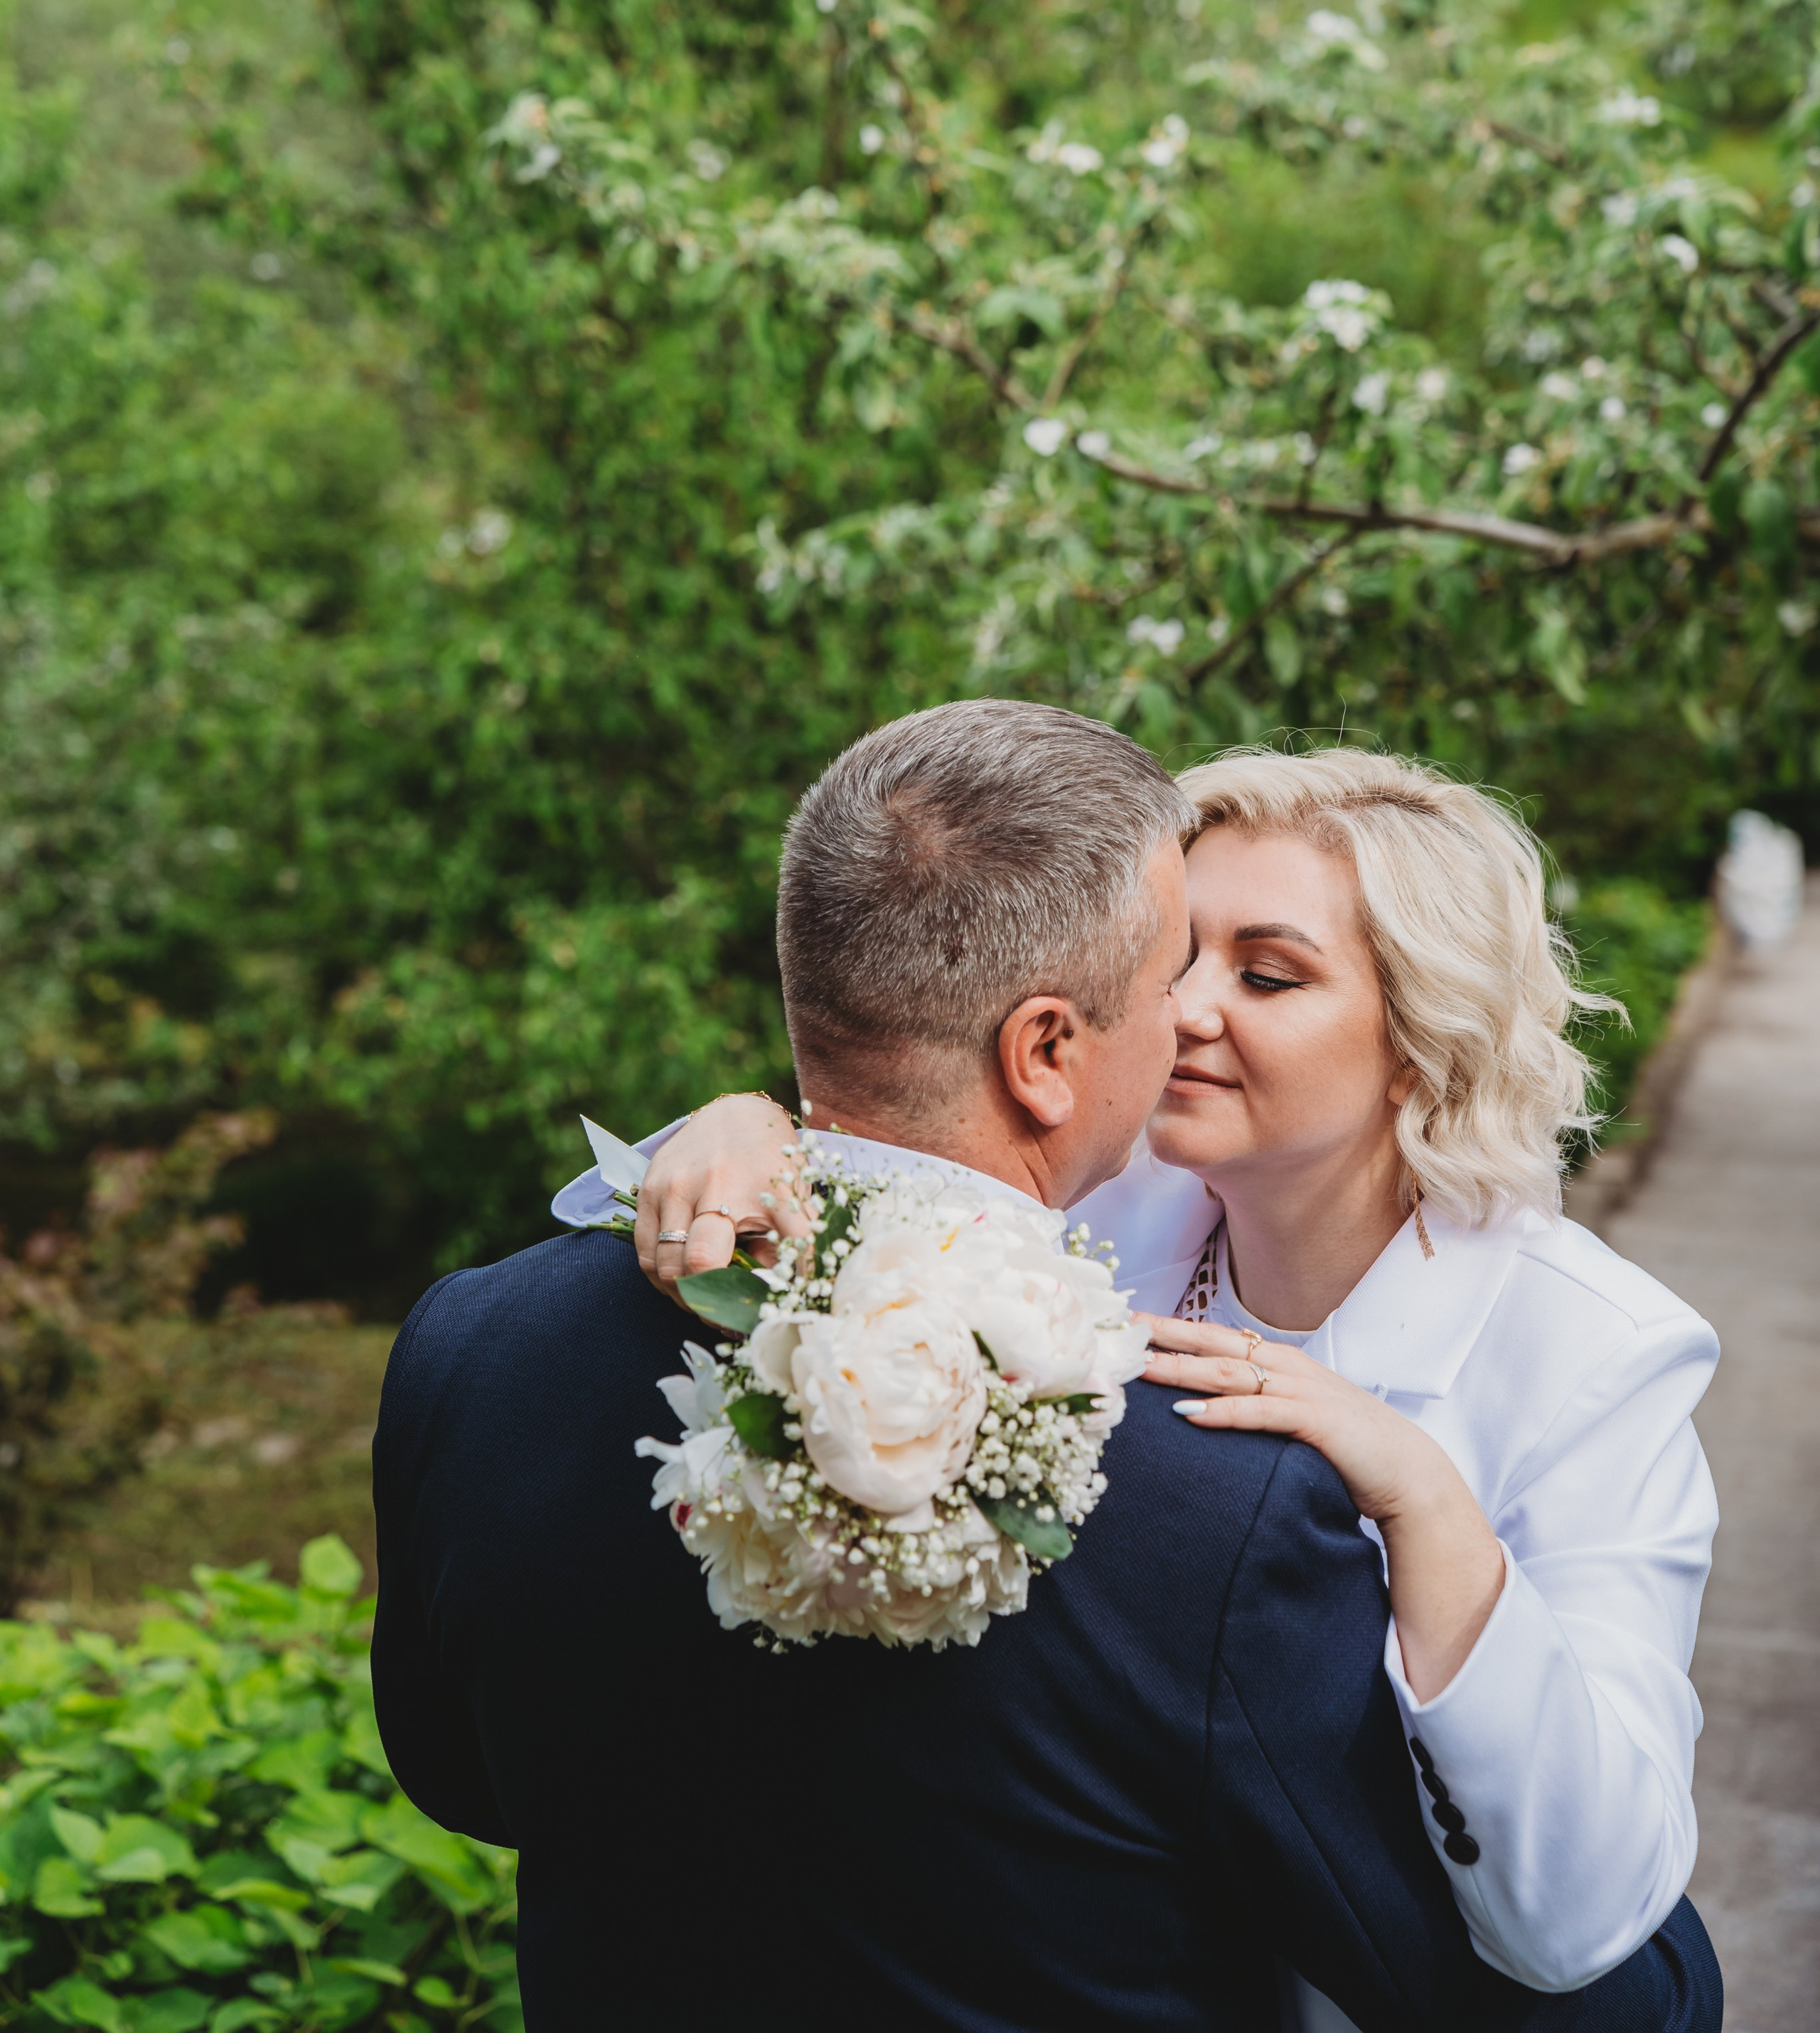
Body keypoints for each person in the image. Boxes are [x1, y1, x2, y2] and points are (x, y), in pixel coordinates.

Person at [379, 703, 1720, 2033]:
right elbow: (911, 1122)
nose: (1186, 1008)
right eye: (1176, 955)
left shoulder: (1594, 1356)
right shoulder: (1107, 1220)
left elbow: (1580, 1899)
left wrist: (1430, 1507)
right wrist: (747, 1125)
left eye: (1263, 973)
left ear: (1426, 1035)